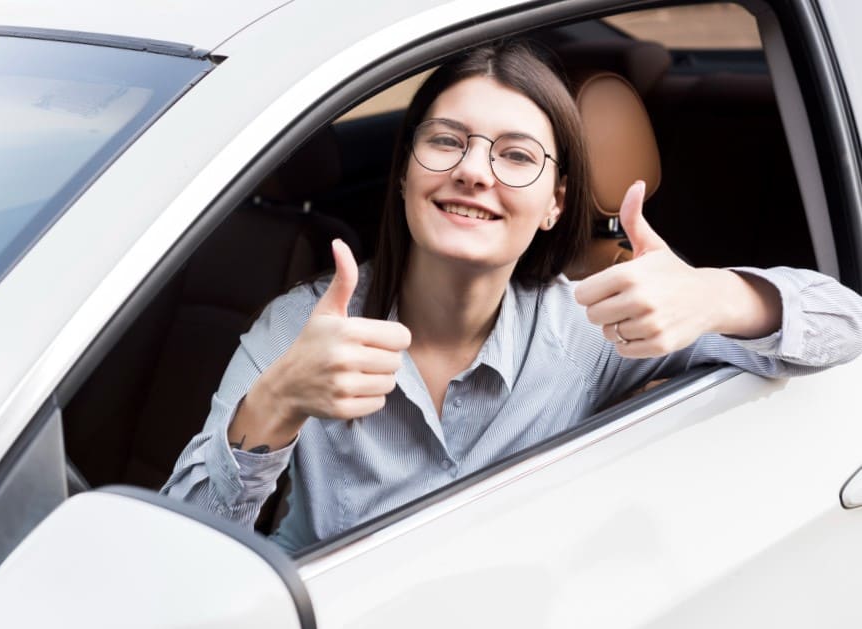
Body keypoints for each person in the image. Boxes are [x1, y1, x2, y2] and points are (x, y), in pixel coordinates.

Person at [161, 41, 862, 552]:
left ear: (556, 202)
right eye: (446, 141)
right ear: (405, 173)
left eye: (516, 155)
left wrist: (714, 295)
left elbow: (847, 323)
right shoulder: (302, 327)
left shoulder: (588, 325)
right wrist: (276, 405)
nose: (473, 170)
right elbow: (173, 557)